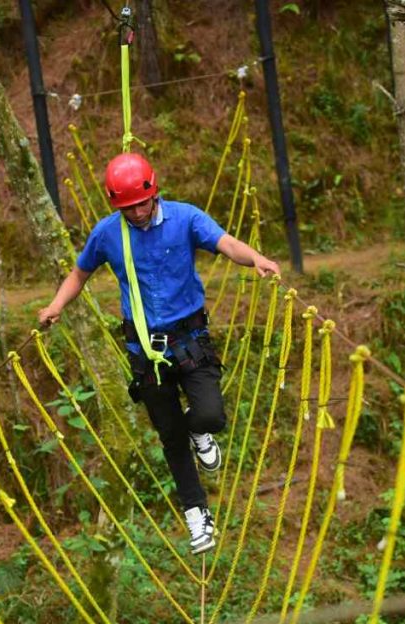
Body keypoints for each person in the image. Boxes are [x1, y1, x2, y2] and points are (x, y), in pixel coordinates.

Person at [38, 153, 281, 556]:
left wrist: (256, 258)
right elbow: (80, 273)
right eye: (126, 206)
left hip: (190, 339)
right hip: (145, 351)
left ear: (154, 193)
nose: (135, 211)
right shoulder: (108, 234)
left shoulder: (186, 218)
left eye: (140, 203)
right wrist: (56, 306)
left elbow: (226, 243)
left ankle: (199, 431)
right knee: (170, 438)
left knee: (209, 415)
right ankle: (196, 515)